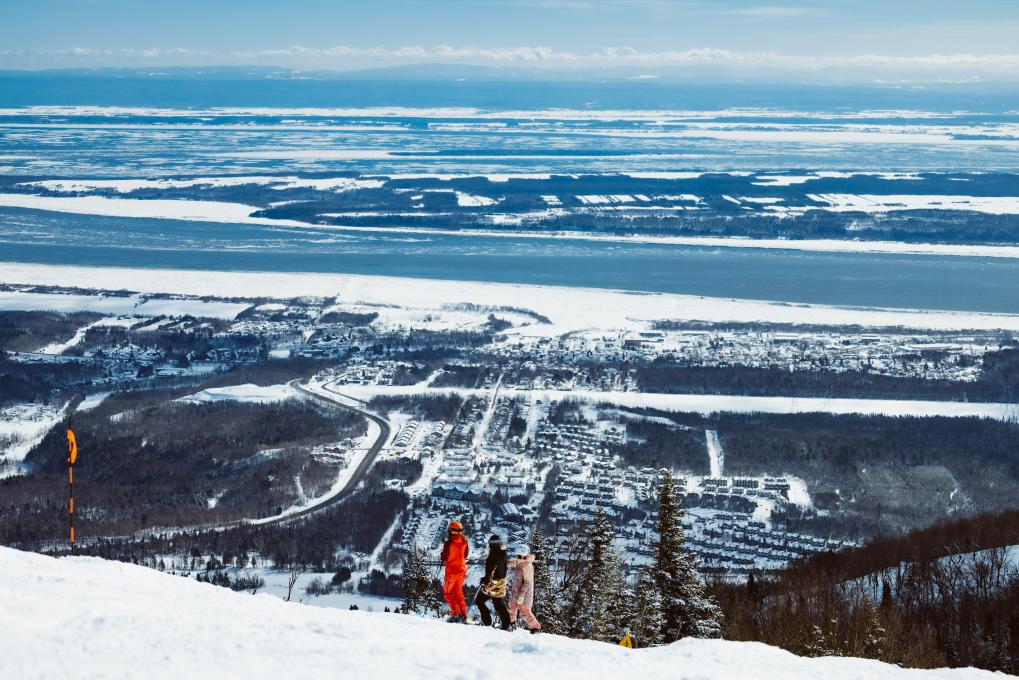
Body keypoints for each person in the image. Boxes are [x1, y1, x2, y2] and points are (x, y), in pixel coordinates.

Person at [475, 534, 511, 630]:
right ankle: (506, 625)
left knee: (479, 600)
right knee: (499, 605)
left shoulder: (493, 555)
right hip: (500, 582)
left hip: (492, 584)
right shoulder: (503, 553)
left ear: (491, 545)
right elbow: (501, 569)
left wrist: (485, 579)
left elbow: (491, 570)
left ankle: (487, 622)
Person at [439, 520, 469, 623]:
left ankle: (456, 614)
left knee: (447, 593)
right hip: (462, 571)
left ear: (451, 531)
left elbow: (443, 557)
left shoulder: (448, 543)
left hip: (451, 572)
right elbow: (465, 555)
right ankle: (463, 615)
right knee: (458, 593)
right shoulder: (465, 542)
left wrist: (443, 553)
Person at [508, 544, 541, 633]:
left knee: (525, 610)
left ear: (523, 555)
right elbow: (513, 563)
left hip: (525, 593)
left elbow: (527, 582)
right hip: (516, 591)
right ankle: (511, 623)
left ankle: (535, 628)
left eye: (518, 555)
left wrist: (521, 595)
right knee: (512, 607)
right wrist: (503, 562)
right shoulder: (520, 562)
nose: (516, 556)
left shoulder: (528, 566)